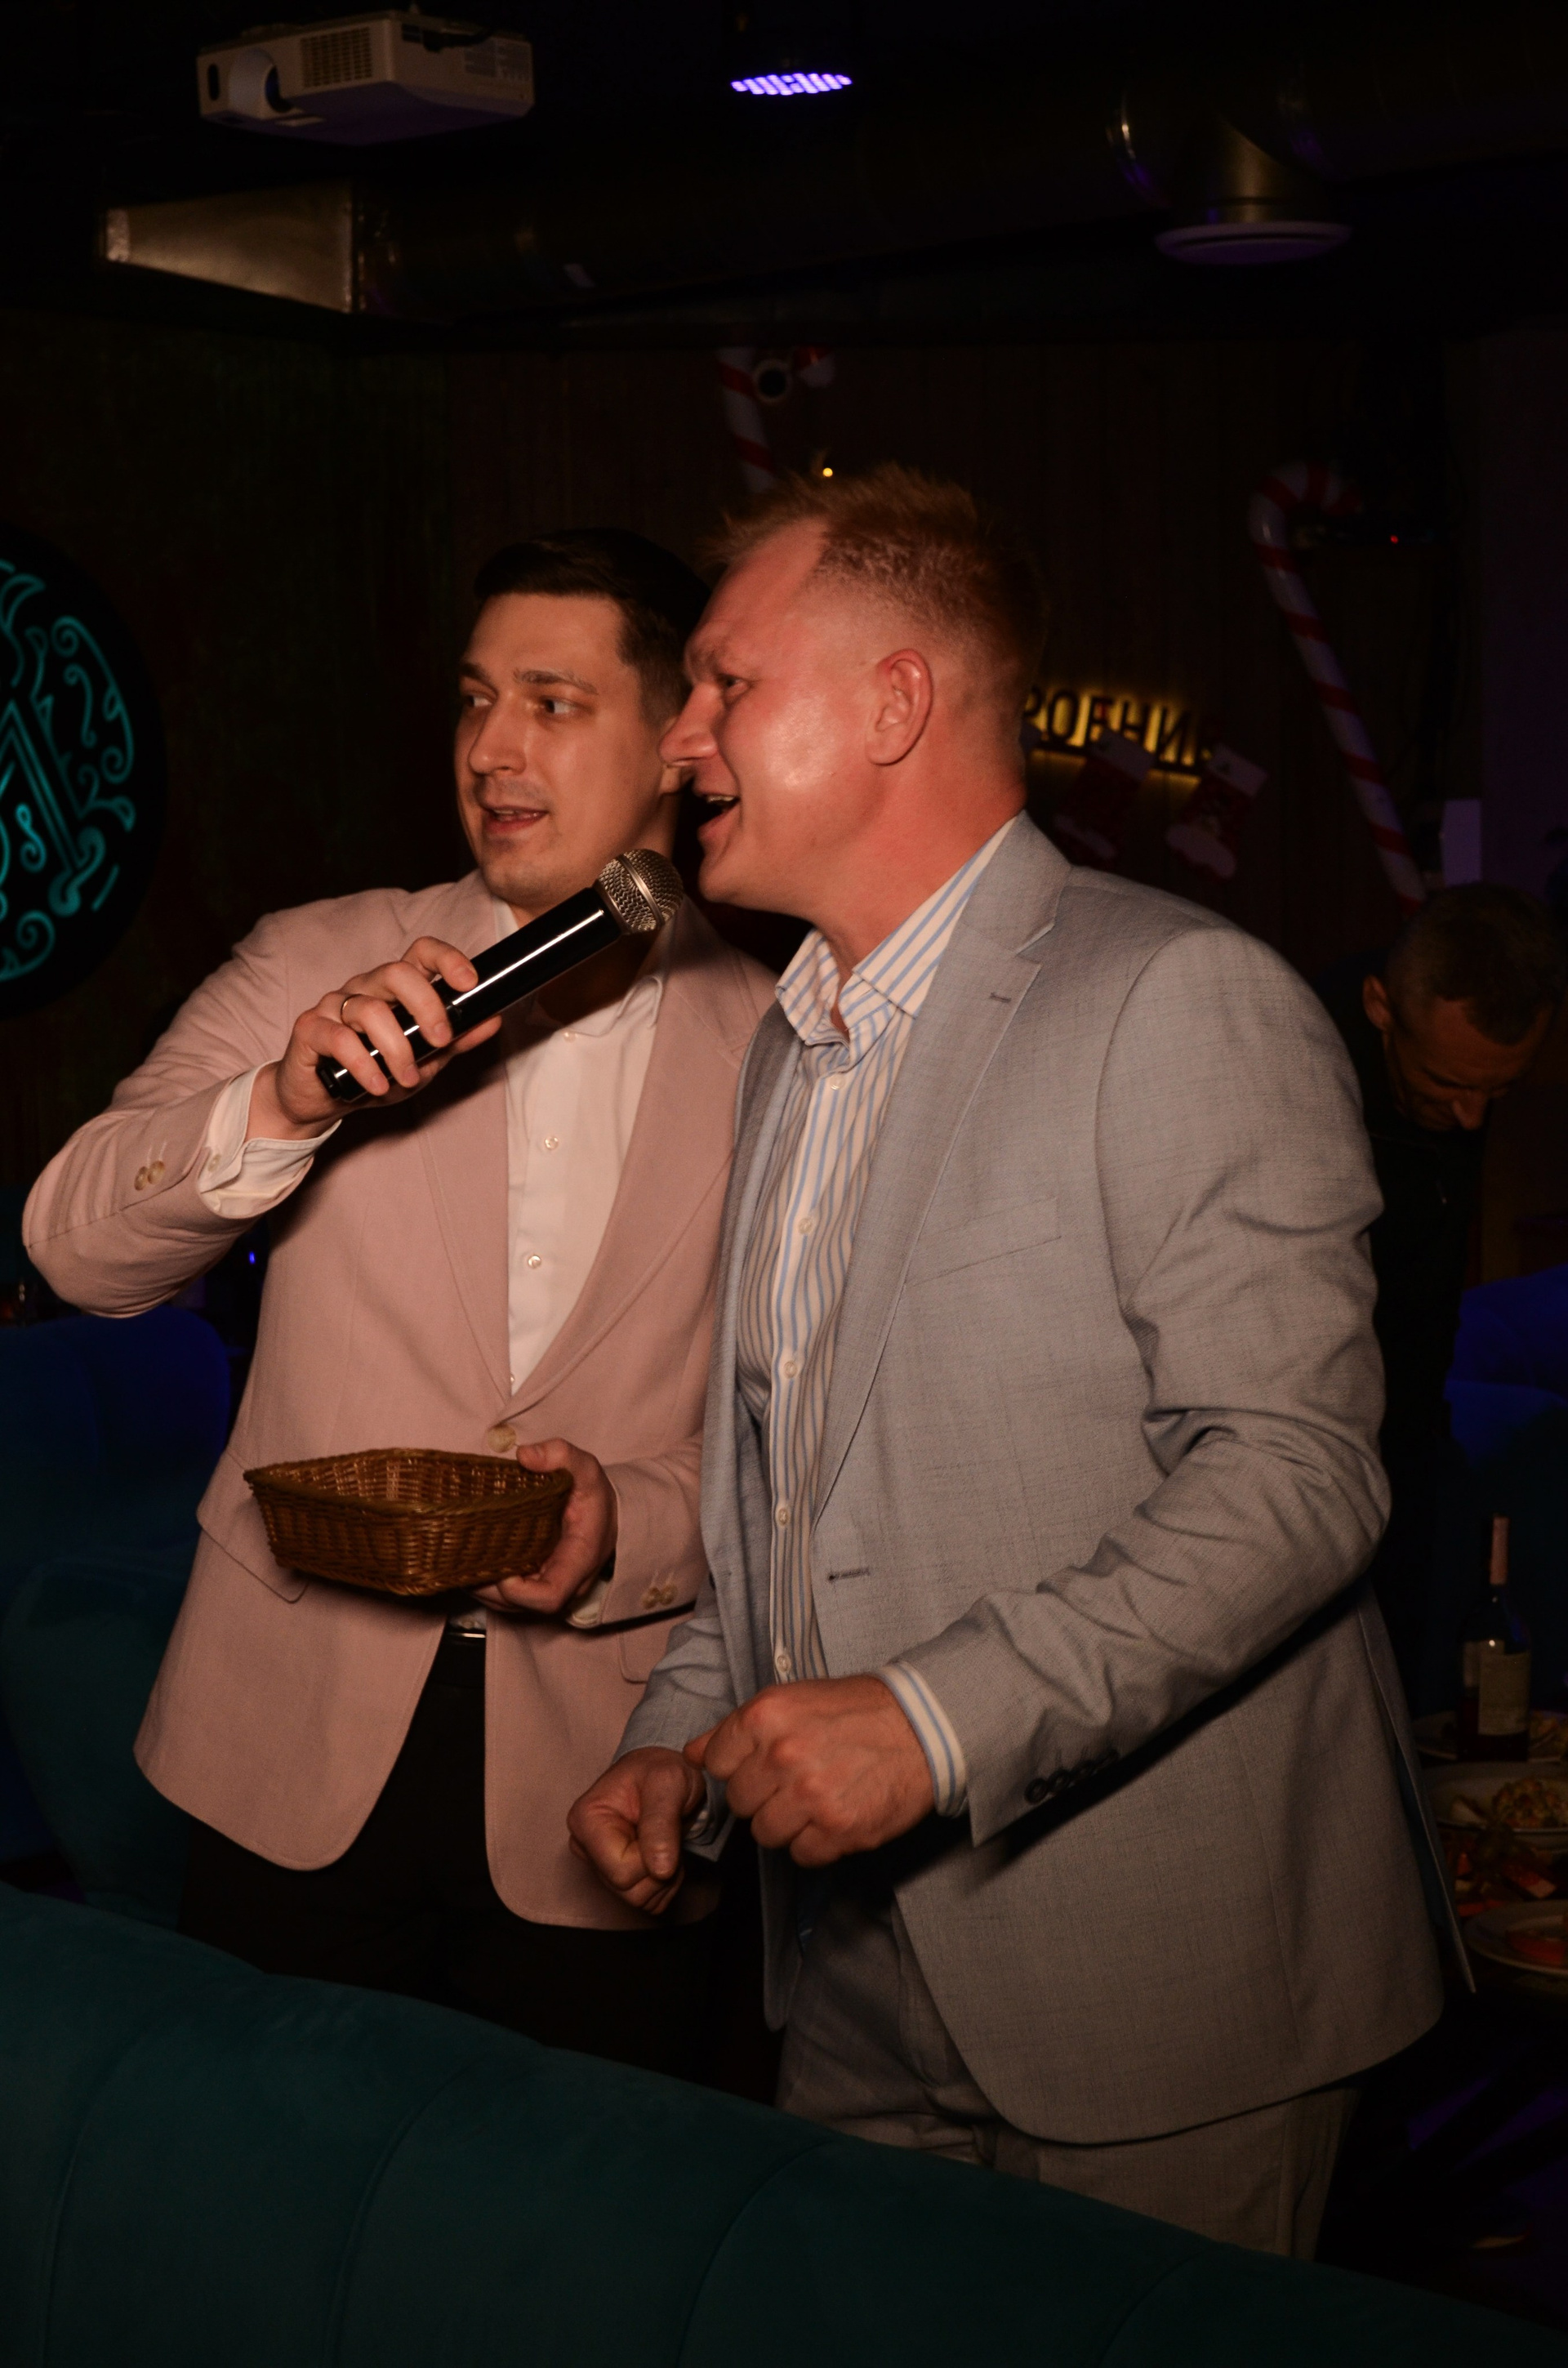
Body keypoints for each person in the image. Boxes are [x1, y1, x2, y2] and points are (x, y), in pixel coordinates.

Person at [568, 465, 1448, 2253]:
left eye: (728, 681)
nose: (680, 737)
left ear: (898, 701)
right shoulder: (788, 1045)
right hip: (847, 1976)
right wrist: (679, 1744)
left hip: (1170, 1994)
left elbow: (1297, 1475)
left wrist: (936, 1719)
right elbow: (783, 1499)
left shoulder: (1177, 993)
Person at [25, 529, 774, 2073]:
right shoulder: (314, 958)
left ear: (677, 739)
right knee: (257, 2178)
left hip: (606, 1775)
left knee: (570, 2210)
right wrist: (285, 1101)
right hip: (286, 1736)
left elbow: (799, 1451)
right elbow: (72, 1247)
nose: (492, 748)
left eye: (554, 702)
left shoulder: (781, 1047)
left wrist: (628, 1522)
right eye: (475, 698)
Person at [1315, 889, 1565, 1694]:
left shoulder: (1461, 1072)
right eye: (1447, 1082)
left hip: (1410, 1417)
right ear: (1380, 1007)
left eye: (1498, 1090)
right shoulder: (1293, 1061)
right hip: (1306, 1430)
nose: (1469, 1117)